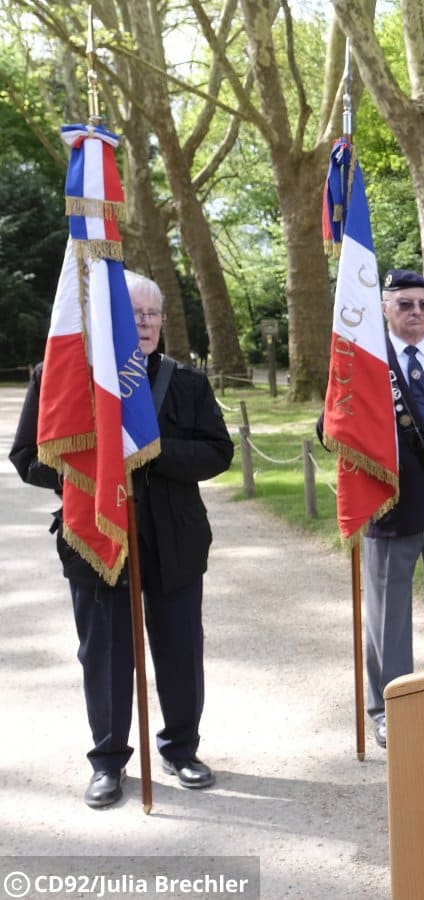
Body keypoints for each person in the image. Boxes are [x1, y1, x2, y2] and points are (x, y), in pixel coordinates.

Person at [10, 272, 233, 808]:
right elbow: (27, 457)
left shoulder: (186, 382)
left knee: (180, 649)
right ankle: (108, 761)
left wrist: (155, 451)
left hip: (175, 538)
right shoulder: (61, 379)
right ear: (107, 320)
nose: (147, 323)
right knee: (105, 653)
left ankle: (181, 749)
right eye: (134, 315)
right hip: (95, 535)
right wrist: (93, 472)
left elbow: (218, 452)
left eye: (153, 313)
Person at [318, 269, 424, 750]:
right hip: (390, 504)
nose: (416, 313)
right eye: (405, 304)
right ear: (384, 308)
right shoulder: (365, 360)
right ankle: (387, 707)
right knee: (388, 618)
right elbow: (329, 426)